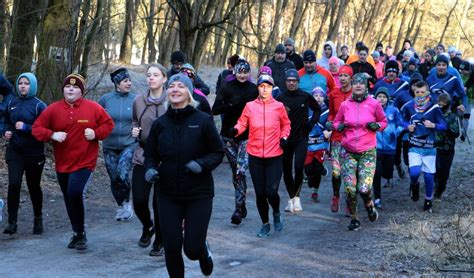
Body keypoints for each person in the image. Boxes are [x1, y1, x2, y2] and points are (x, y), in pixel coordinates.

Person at [144, 73, 224, 277]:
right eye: (171, 86)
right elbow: (150, 155)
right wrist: (150, 169)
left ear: (188, 92)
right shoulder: (160, 124)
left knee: (192, 249)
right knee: (172, 246)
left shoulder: (203, 121)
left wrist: (201, 164)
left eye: (180, 86)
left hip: (199, 193)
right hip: (167, 193)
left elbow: (217, 152)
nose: (175, 89)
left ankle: (202, 250)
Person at [32, 73, 114, 250]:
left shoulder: (93, 108)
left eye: (76, 87)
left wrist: (96, 133)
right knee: (69, 197)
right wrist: (52, 134)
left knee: (75, 192)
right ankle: (78, 233)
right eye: (68, 86)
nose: (71, 89)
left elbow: (108, 124)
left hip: (85, 161)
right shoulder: (53, 109)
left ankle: (80, 232)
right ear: (63, 89)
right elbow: (37, 129)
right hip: (63, 163)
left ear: (82, 92)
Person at [231, 74, 291, 237]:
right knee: (260, 194)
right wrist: (236, 130)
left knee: (271, 191)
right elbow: (242, 122)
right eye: (261, 86)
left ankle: (276, 213)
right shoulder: (250, 106)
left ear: (272, 88)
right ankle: (265, 224)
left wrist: (284, 137)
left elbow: (286, 124)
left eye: (268, 86)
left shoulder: (279, 106)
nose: (264, 89)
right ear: (257, 87)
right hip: (255, 155)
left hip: (274, 155)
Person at [333, 73, 387, 230]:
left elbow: (383, 121)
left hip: (367, 151)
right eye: (355, 83)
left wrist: (377, 126)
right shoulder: (345, 105)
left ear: (366, 86)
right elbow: (337, 121)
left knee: (363, 188)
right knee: (350, 188)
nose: (357, 85)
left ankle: (370, 206)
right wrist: (339, 127)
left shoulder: (374, 104)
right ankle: (354, 218)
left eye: (361, 83)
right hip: (348, 150)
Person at [212, 59, 258, 225]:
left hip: (248, 136)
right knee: (235, 172)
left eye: (245, 72)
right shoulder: (226, 87)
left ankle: (238, 209)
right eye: (239, 72)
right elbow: (215, 109)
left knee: (241, 170)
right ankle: (242, 202)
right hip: (228, 136)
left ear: (249, 73)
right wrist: (230, 104)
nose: (242, 75)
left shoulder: (254, 90)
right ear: (234, 72)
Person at [3, 72, 47, 235]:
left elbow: (45, 129)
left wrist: (27, 128)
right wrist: (6, 132)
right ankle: (12, 223)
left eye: (26, 83)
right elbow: (6, 120)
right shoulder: (11, 103)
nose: (22, 86)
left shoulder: (39, 106)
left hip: (34, 152)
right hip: (15, 150)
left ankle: (38, 218)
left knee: (33, 186)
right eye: (20, 83)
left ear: (33, 86)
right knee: (14, 185)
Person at [131, 63, 168, 256]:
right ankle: (148, 226)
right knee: (139, 199)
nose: (151, 78)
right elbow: (135, 121)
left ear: (164, 78)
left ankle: (160, 241)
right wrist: (134, 130)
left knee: (159, 203)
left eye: (155, 75)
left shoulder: (171, 100)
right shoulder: (138, 100)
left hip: (165, 158)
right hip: (143, 155)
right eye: (148, 75)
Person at [277, 69, 320, 213]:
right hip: (286, 138)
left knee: (298, 166)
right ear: (285, 82)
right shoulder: (281, 98)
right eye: (289, 80)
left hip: (301, 137)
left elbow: (317, 110)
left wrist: (311, 123)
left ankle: (297, 198)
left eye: (294, 80)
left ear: (298, 82)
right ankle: (291, 199)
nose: (291, 83)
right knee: (287, 170)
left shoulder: (305, 96)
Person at [401, 81, 447, 212]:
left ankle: (428, 200)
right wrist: (406, 126)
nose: (420, 94)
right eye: (417, 92)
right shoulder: (409, 106)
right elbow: (401, 120)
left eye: (422, 92)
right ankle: (414, 185)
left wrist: (434, 126)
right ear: (413, 92)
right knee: (414, 172)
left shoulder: (434, 108)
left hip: (429, 148)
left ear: (428, 92)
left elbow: (444, 125)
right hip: (414, 145)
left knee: (428, 176)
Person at [98, 68, 136, 221]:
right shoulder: (105, 99)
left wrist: (138, 130)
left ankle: (127, 204)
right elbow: (97, 118)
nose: (129, 83)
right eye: (125, 81)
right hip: (109, 146)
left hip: (129, 144)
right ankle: (121, 205)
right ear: (117, 83)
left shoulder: (136, 99)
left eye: (129, 80)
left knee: (122, 173)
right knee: (114, 178)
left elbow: (141, 118)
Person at [326, 65, 353, 213]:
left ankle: (350, 201)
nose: (342, 78)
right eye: (341, 76)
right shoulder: (333, 93)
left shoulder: (356, 94)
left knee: (349, 172)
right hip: (336, 137)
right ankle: (336, 195)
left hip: (352, 138)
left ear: (351, 78)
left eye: (346, 76)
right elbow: (331, 113)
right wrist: (330, 122)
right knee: (336, 172)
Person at [373, 87, 403, 208]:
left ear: (388, 99)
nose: (382, 99)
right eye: (379, 96)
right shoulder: (371, 109)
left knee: (387, 172)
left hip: (390, 147)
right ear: (375, 98)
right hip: (375, 147)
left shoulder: (394, 111)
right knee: (377, 173)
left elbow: (401, 125)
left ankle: (389, 177)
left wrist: (395, 133)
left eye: (384, 97)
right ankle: (377, 198)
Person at [304, 87, 330, 202]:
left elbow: (330, 123)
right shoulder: (308, 109)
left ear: (324, 98)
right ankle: (310, 177)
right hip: (308, 143)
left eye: (321, 96)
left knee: (317, 168)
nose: (318, 98)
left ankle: (315, 191)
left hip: (321, 143)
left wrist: (328, 130)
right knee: (309, 169)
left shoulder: (327, 111)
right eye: (316, 95)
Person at [434, 93, 459, 199]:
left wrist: (446, 128)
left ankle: (440, 190)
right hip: (435, 148)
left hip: (448, 149)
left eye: (443, 104)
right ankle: (435, 187)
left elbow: (456, 133)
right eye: (439, 104)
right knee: (435, 170)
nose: (441, 106)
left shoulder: (452, 117)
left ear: (448, 104)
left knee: (444, 173)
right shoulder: (434, 115)